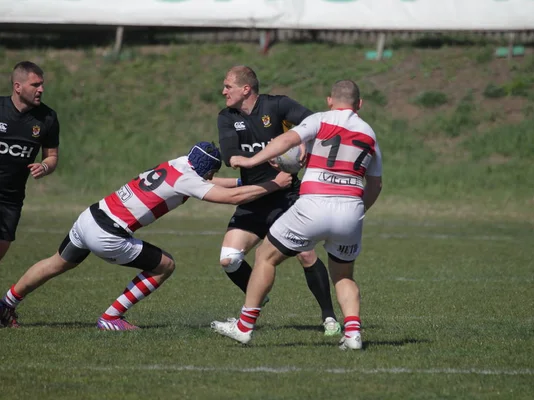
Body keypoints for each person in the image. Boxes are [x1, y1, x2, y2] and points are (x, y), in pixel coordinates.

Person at [0, 142, 292, 330]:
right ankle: (111, 318)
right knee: (164, 265)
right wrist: (275, 184)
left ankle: (6, 304)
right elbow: (232, 197)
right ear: (207, 170)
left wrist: (247, 180)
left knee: (56, 262)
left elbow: (214, 182)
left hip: (89, 217)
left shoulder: (179, 164)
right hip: (108, 234)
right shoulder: (190, 179)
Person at [211, 80, 383, 350]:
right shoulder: (370, 134)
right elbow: (376, 185)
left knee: (265, 257)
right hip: (351, 210)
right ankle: (352, 334)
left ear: (329, 101)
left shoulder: (320, 119)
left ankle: (244, 326)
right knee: (344, 275)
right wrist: (359, 212)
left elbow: (288, 139)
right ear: (359, 105)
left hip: (314, 204)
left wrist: (251, 160)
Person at [217, 65, 341, 335]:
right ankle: (258, 296)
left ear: (246, 89)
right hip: (254, 197)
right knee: (229, 259)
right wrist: (238, 159)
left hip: (287, 197)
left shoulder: (278, 106)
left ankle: (329, 317)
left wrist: (304, 142)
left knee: (306, 254)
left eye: (228, 86)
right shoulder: (227, 117)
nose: (223, 91)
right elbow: (230, 153)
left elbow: (317, 122)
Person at [0, 61, 60, 266]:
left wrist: (44, 166)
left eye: (41, 84)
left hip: (11, 198)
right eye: (35, 85)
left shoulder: (48, 118)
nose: (41, 89)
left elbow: (51, 156)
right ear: (18, 86)